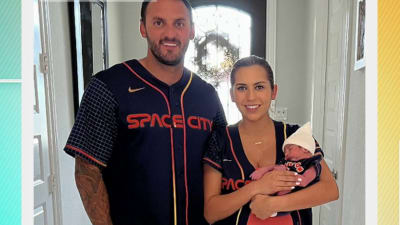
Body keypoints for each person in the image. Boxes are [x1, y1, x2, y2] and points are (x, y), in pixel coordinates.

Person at [63, 1, 226, 225]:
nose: (170, 33)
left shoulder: (207, 95)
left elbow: (224, 162)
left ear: (191, 30)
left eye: (179, 23)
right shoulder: (109, 86)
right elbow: (87, 170)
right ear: (143, 28)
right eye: (159, 22)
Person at [202, 55, 338, 225]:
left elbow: (330, 189)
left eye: (259, 87)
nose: (251, 97)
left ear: (273, 91)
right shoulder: (220, 140)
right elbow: (211, 212)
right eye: (242, 88)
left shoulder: (295, 135)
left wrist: (274, 203)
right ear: (232, 94)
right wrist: (257, 187)